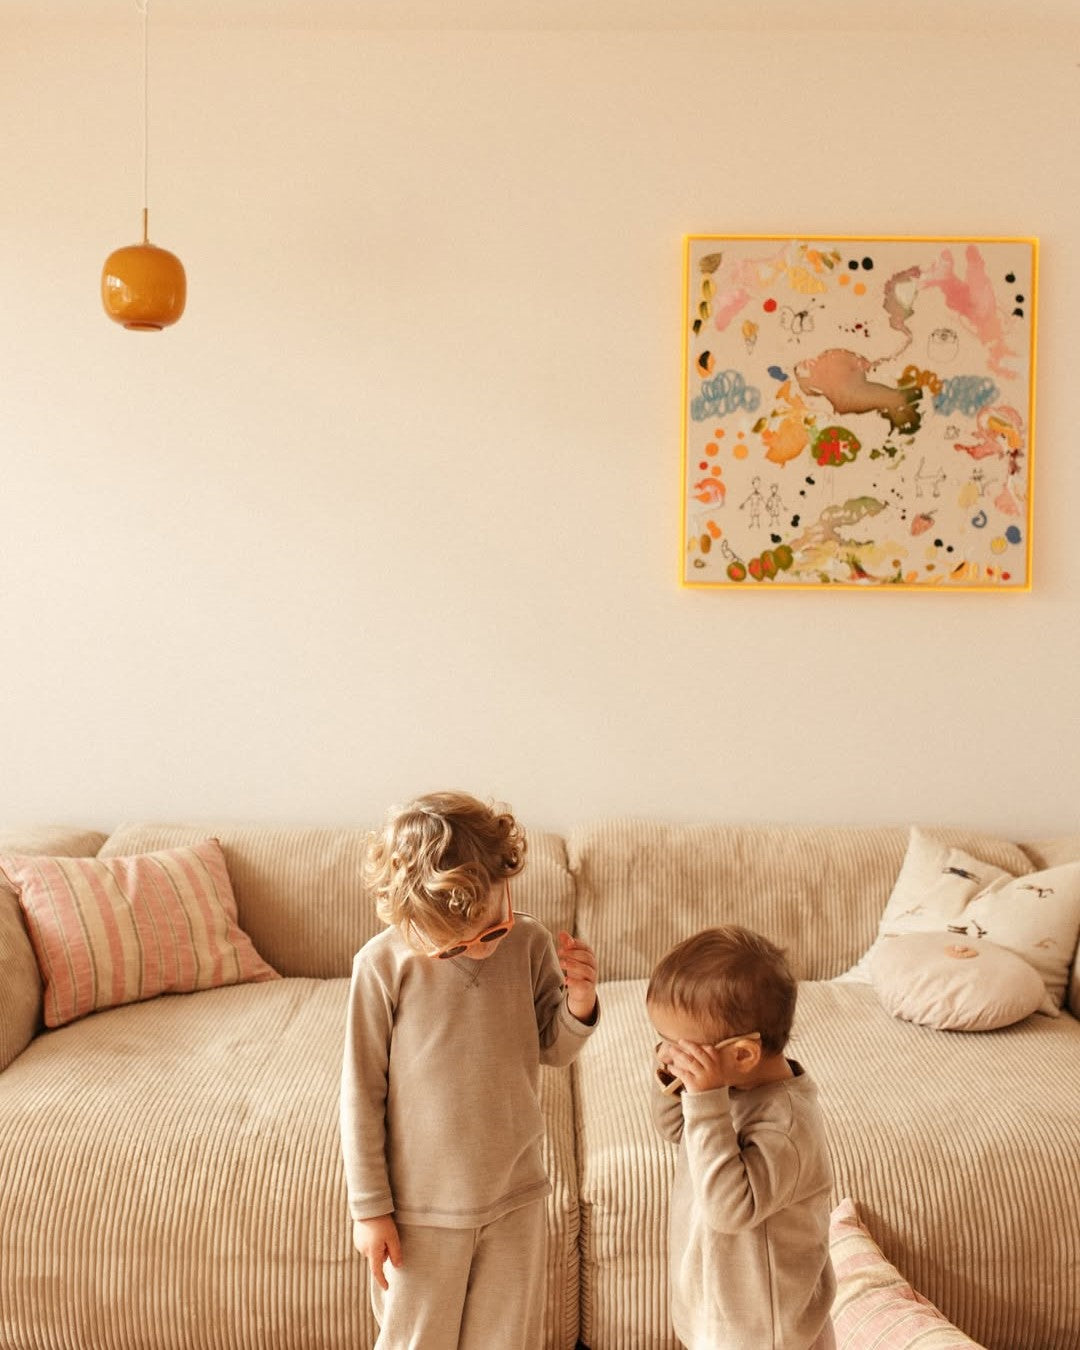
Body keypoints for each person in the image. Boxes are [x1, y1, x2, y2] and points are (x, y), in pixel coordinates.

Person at [340, 790, 599, 1349]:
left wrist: (579, 1000)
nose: (486, 945)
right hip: (419, 1211)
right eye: (462, 942)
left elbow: (552, 1047)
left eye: (496, 924)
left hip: (515, 1195)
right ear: (414, 913)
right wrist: (371, 1212)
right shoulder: (381, 967)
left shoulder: (529, 944)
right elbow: (361, 1096)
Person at [646, 925, 835, 1350]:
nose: (672, 1054)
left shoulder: (786, 1125)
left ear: (744, 1054)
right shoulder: (725, 1087)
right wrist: (672, 1079)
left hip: (766, 1329)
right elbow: (676, 1130)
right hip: (722, 1307)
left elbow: (730, 1211)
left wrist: (706, 1100)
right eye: (665, 1043)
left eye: (683, 1048)